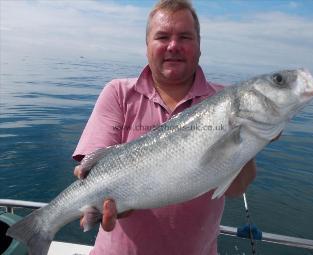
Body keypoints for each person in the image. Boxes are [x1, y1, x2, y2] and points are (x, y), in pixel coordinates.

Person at [73, 0, 256, 254]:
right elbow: (90, 172)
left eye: (185, 36)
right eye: (162, 37)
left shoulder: (225, 101)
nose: (173, 46)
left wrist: (250, 136)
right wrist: (114, 203)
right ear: (147, 46)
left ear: (199, 46)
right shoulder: (117, 93)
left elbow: (236, 188)